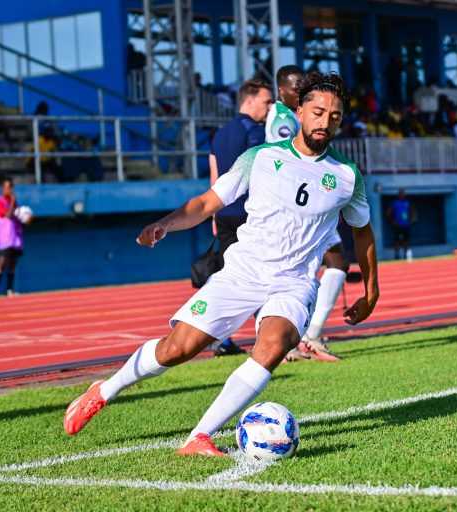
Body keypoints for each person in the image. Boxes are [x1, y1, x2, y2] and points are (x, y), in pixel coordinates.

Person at [64, 71, 380, 457]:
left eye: (334, 116)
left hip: (293, 283)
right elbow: (207, 202)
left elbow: (363, 232)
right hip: (242, 272)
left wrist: (370, 289)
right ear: (298, 112)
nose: (325, 122)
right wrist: (164, 223)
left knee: (275, 342)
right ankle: (104, 390)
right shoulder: (260, 158)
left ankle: (199, 436)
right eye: (318, 112)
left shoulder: (348, 177)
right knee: (177, 349)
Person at [264, 65, 348, 364]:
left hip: (306, 202)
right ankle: (303, 336)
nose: (301, 89)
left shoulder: (291, 114)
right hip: (299, 205)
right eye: (296, 85)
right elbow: (291, 162)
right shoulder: (284, 120)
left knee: (332, 262)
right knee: (323, 264)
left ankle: (298, 337)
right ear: (282, 90)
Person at [206, 78, 272, 356]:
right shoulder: (254, 132)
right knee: (264, 275)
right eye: (267, 102)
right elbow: (262, 173)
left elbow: (215, 177)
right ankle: (268, 338)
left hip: (222, 212)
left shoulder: (219, 134)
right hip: (249, 213)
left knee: (227, 275)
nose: (270, 108)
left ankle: (217, 336)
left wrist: (212, 214)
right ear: (249, 100)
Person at [0, 176, 27, 296]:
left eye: (12, 186)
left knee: (13, 262)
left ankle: (9, 290)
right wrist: (12, 201)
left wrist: (26, 217)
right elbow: (7, 214)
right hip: (5, 237)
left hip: (15, 237)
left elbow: (15, 215)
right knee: (2, 261)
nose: (11, 189)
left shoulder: (13, 201)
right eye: (9, 186)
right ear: (3, 187)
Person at [387, 189, 415, 260]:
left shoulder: (407, 203)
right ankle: (397, 255)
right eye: (402, 194)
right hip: (398, 225)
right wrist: (393, 221)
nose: (404, 195)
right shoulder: (395, 203)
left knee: (406, 240)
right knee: (397, 240)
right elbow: (388, 212)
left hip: (406, 225)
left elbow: (411, 210)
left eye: (404, 194)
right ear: (399, 195)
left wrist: (411, 219)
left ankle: (407, 255)